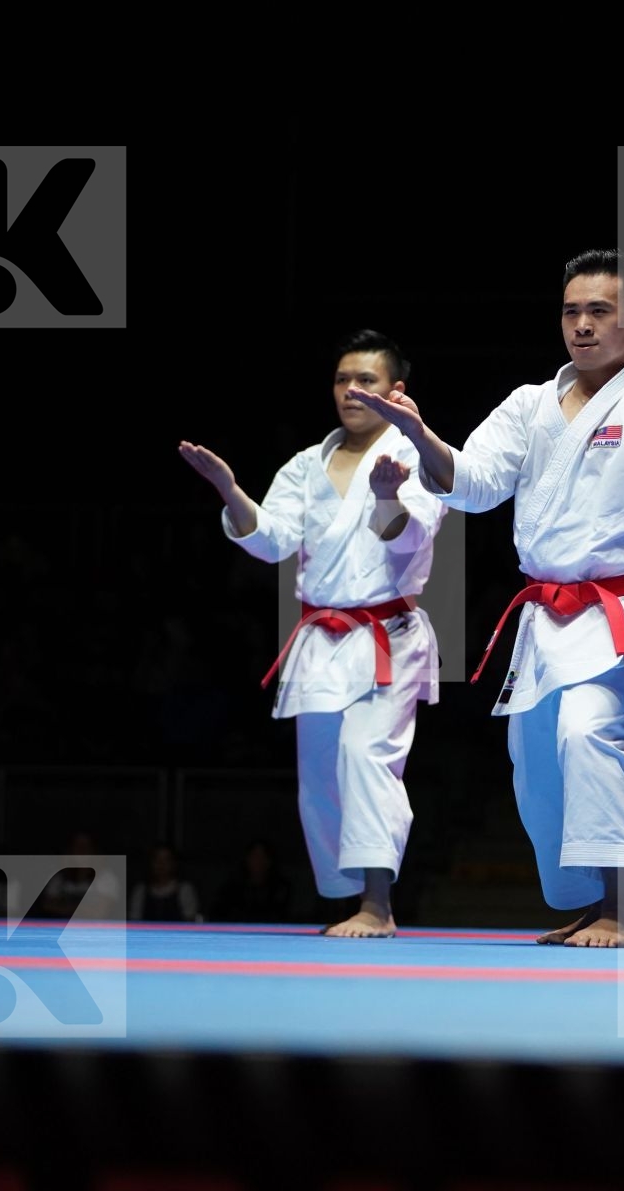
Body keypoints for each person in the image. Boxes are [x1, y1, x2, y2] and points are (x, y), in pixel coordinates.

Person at [349, 249, 624, 948]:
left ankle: (621, 909)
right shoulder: (529, 404)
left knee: (592, 731)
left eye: (599, 311)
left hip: (621, 611)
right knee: (535, 752)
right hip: (547, 617)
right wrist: (421, 435)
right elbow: (475, 483)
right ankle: (583, 900)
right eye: (572, 311)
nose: (581, 324)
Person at [179, 329, 445, 938]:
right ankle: (350, 899)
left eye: (367, 381)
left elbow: (410, 538)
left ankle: (378, 904)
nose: (351, 391)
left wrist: (385, 500)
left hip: (388, 635)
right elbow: (271, 537)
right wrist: (230, 491)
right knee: (322, 778)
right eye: (341, 380)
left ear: (396, 389)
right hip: (322, 639)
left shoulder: (419, 456)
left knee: (366, 756)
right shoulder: (307, 463)